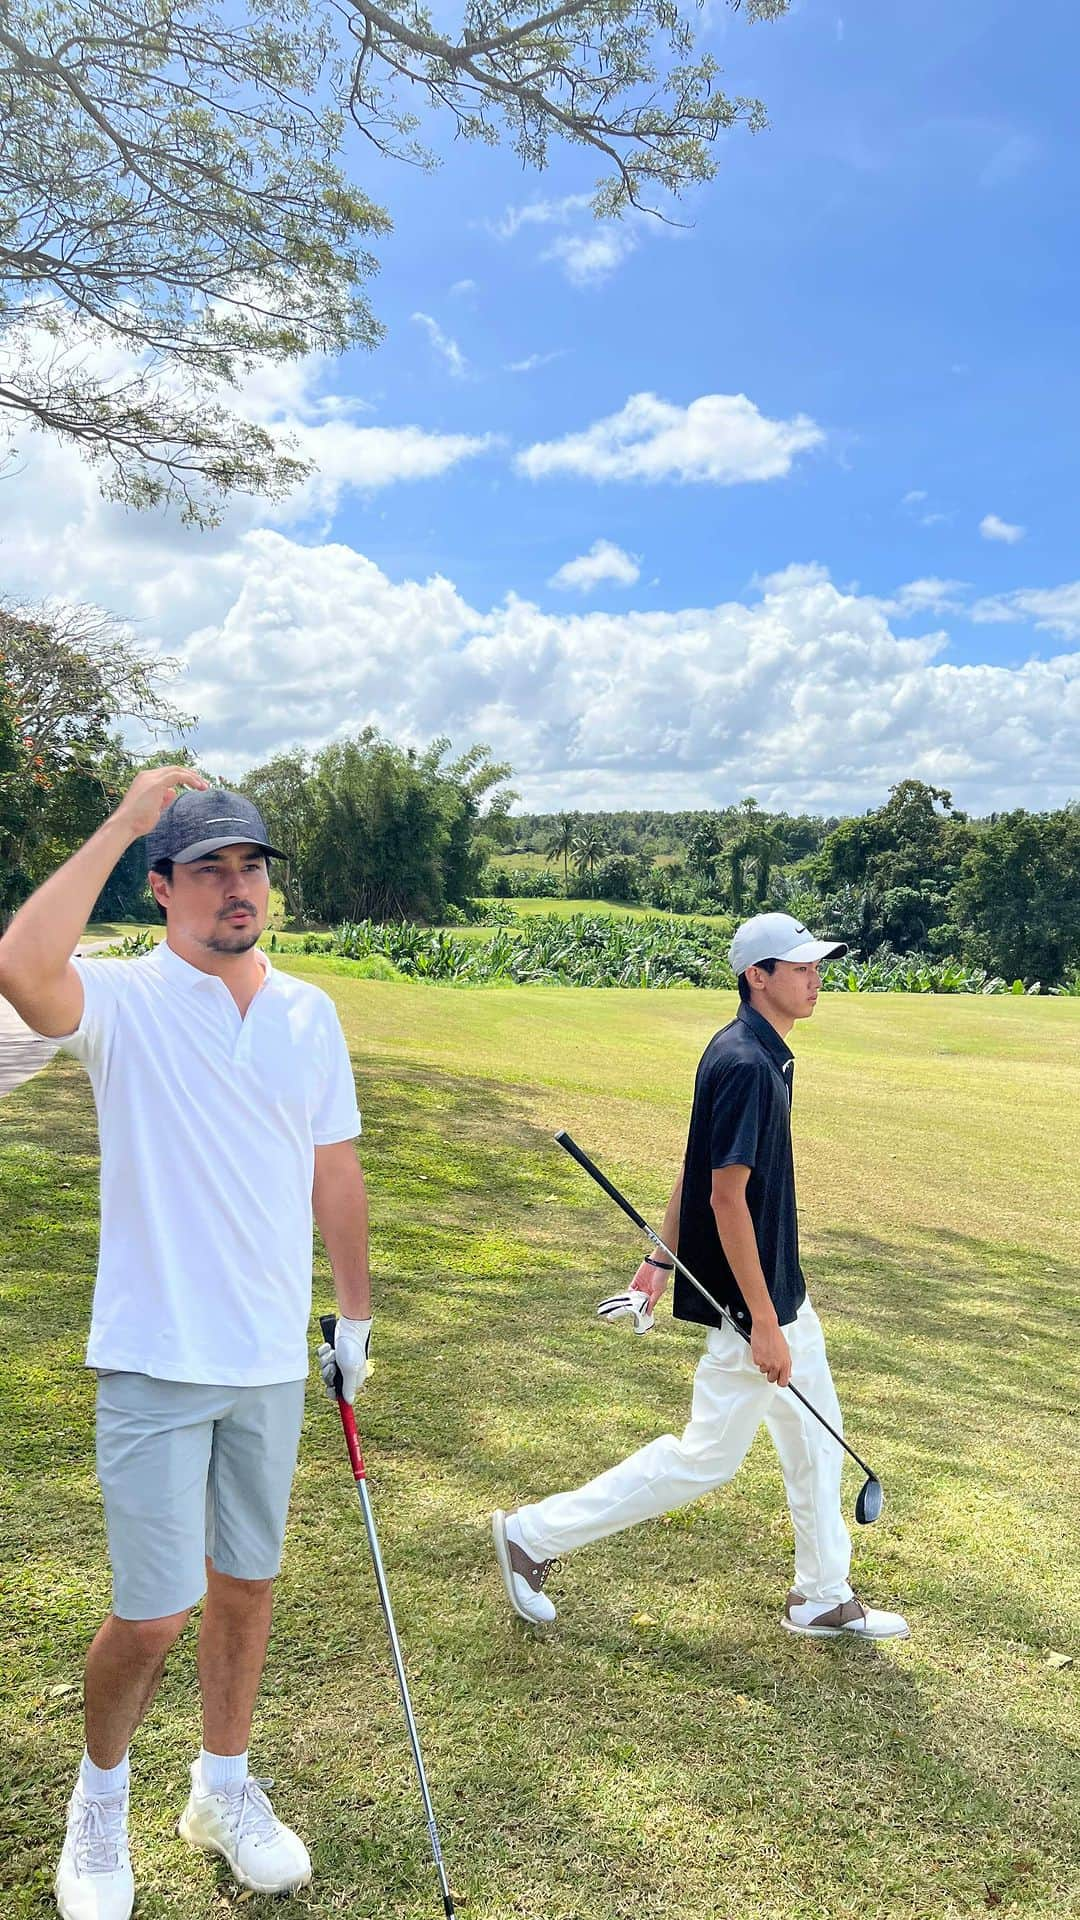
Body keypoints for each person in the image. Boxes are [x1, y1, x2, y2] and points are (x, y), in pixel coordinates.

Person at [0, 771, 373, 1920]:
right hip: (158, 1358)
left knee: (247, 1592)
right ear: (160, 887)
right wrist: (118, 818)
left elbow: (335, 1168)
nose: (235, 887)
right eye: (206, 867)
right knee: (154, 1611)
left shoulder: (310, 1012)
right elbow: (21, 965)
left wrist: (354, 1315)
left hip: (267, 1360)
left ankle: (222, 1788)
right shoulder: (122, 999)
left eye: (250, 866)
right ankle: (98, 1802)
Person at [492, 912, 909, 1643]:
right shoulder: (746, 1063)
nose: (816, 979)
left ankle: (821, 1595)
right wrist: (765, 1323)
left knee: (816, 1444)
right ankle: (533, 1535)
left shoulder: (754, 1050)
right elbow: (725, 1195)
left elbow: (696, 1166)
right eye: (801, 967)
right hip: (760, 1311)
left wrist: (659, 1260)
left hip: (779, 1299)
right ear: (759, 976)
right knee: (703, 1460)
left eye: (818, 966)